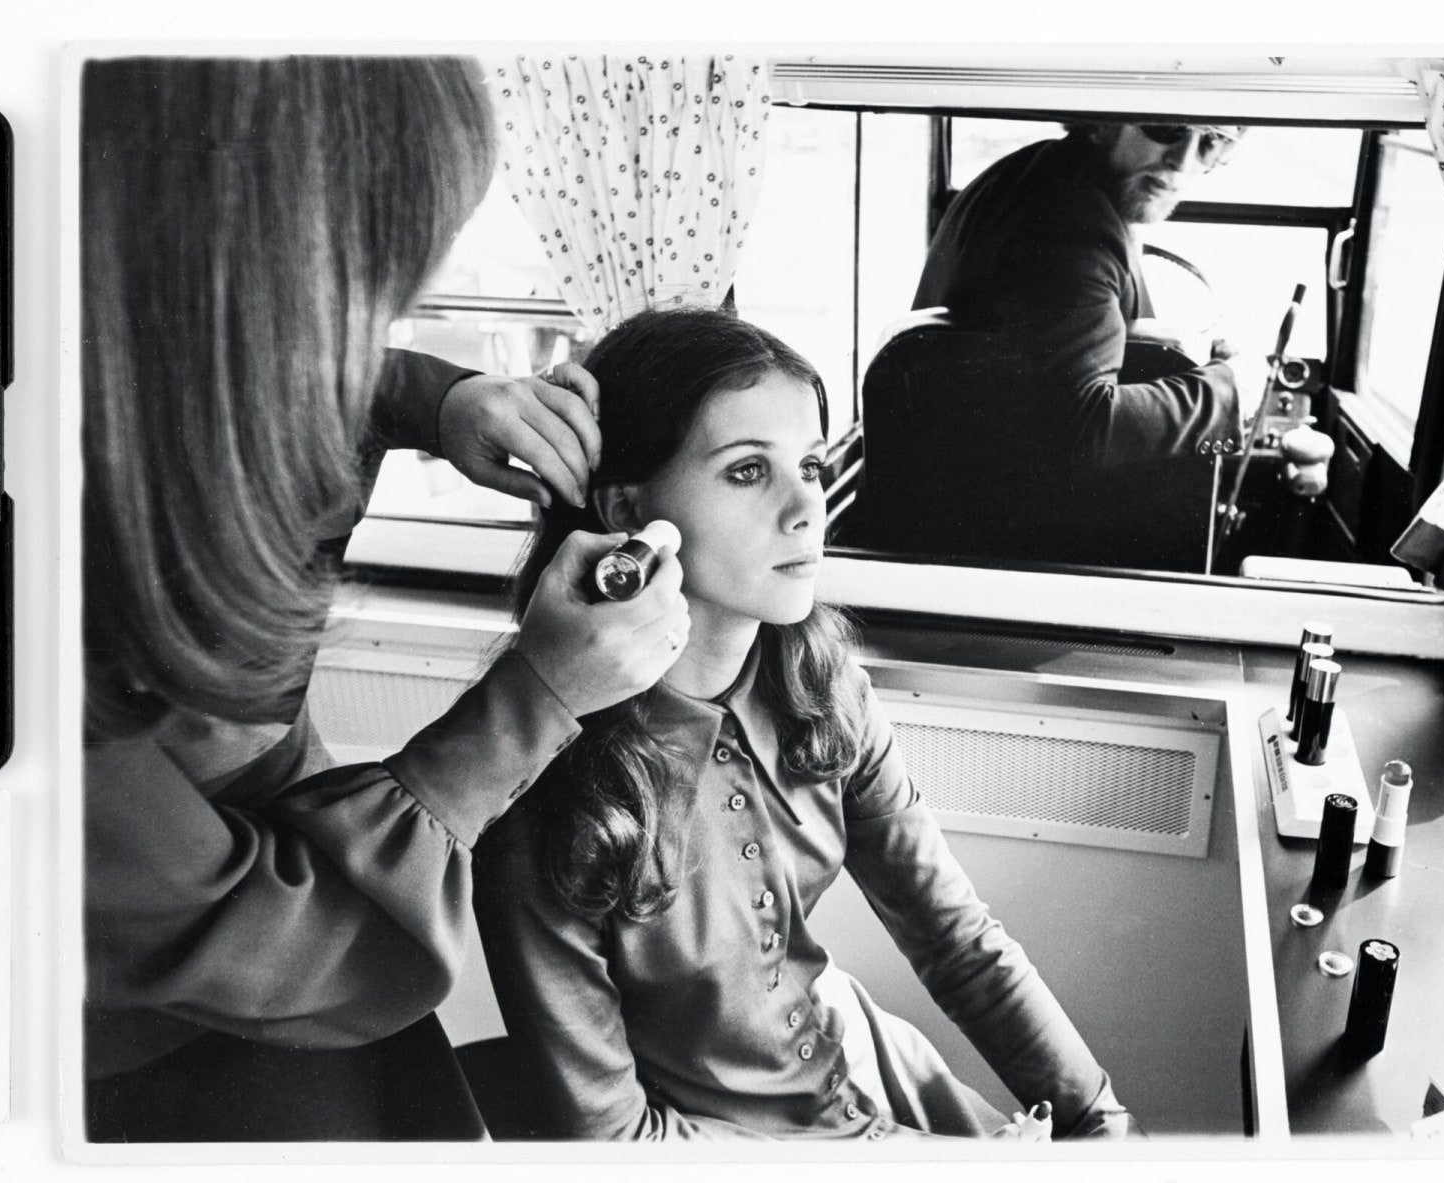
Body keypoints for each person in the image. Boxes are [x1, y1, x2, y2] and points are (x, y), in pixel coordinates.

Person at [81, 56, 690, 1142]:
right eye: (361, 294)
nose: (370, 337)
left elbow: (280, 357)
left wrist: (443, 399)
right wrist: (536, 699)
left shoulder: (113, 334)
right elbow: (253, 937)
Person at [470, 307, 1136, 1141]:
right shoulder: (540, 786)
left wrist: (1099, 1119)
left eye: (812, 466)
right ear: (625, 506)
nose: (805, 509)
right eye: (748, 472)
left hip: (853, 1064)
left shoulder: (825, 686)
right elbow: (613, 1143)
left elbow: (958, 941)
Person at [911, 122, 1249, 464]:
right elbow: (1080, 425)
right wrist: (1228, 391)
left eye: (1211, 141)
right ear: (1104, 124)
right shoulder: (1071, 230)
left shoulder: (1033, 170)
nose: (1184, 161)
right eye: (1166, 129)